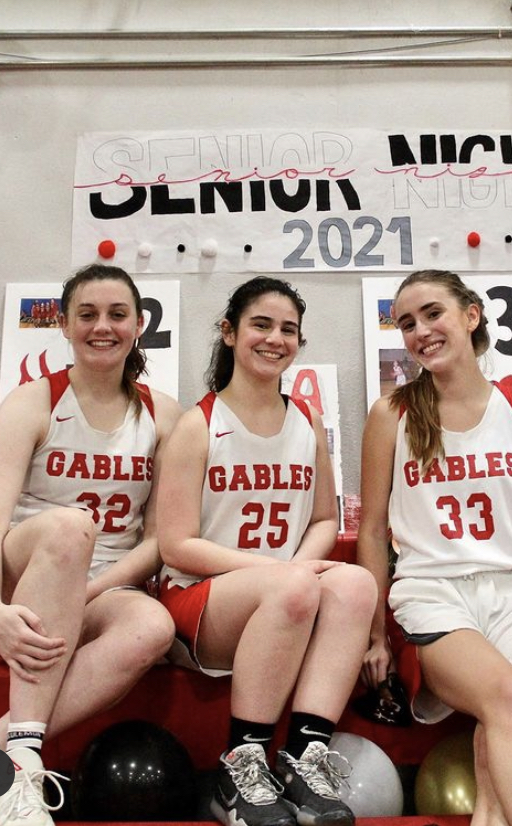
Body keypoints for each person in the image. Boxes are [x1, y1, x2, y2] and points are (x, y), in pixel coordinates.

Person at [0, 264, 181, 826]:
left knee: (154, 629)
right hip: (8, 585)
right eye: (87, 315)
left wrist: (86, 591)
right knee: (71, 527)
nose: (103, 326)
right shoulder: (33, 402)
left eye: (117, 315)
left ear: (139, 325)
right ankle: (18, 768)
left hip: (98, 586)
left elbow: (160, 540)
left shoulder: (163, 414)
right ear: (64, 326)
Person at [156, 276, 377, 826]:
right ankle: (240, 769)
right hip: (201, 604)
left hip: (285, 596)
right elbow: (176, 544)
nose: (275, 338)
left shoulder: (307, 419)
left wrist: (293, 572)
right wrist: (283, 571)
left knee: (356, 584)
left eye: (288, 330)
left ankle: (306, 758)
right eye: (261, 325)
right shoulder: (198, 424)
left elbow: (326, 518)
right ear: (229, 333)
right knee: (298, 584)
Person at [357, 269, 512, 826]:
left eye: (432, 313)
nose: (420, 330)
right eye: (406, 323)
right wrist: (375, 634)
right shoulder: (391, 415)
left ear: (471, 315)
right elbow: (373, 531)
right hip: (435, 592)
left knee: (499, 734)